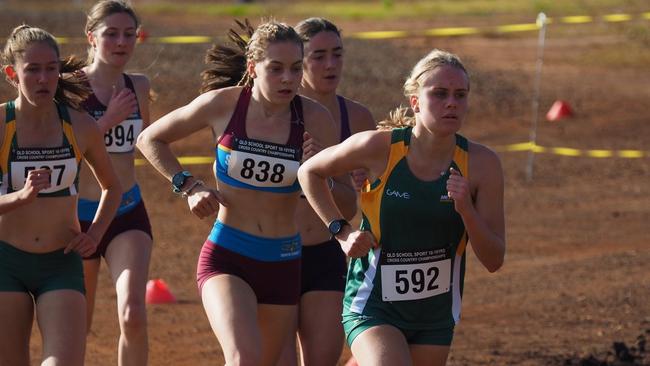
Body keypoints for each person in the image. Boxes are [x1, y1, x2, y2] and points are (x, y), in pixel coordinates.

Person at [136, 20, 338, 366]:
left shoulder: (316, 118)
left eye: (294, 68)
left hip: (283, 261)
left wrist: (316, 170)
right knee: (243, 358)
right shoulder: (222, 105)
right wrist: (189, 186)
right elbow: (149, 139)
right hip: (228, 254)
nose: (287, 79)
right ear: (252, 67)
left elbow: (328, 191)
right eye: (275, 69)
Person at [298, 49, 506, 366]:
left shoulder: (482, 164)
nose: (452, 102)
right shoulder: (379, 148)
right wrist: (341, 232)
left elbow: (494, 259)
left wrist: (467, 210)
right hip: (373, 302)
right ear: (415, 102)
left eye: (460, 95)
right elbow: (308, 171)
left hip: (434, 313)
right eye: (439, 93)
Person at [0, 25, 121, 366]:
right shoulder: (2, 123)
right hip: (5, 261)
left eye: (51, 68)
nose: (43, 78)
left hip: (61, 262)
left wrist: (95, 234)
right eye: (33, 70)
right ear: (13, 74)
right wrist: (18, 198)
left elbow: (113, 187)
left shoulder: (80, 126)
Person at [278, 17, 375, 366]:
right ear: (299, 61)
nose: (330, 65)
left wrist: (322, 172)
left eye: (337, 54)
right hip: (273, 253)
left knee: (323, 359)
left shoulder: (359, 120)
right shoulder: (275, 113)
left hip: (327, 252)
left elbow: (351, 206)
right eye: (318, 56)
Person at [77, 1, 153, 364]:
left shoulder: (138, 86)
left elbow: (147, 143)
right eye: (111, 34)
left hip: (126, 214)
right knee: (78, 324)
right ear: (92, 37)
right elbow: (57, 152)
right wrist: (105, 122)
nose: (121, 42)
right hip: (76, 218)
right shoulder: (69, 87)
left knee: (133, 314)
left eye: (129, 34)